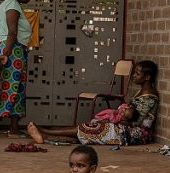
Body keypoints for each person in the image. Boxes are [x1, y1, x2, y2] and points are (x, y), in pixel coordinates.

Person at [29, 61, 160, 146]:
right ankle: (46, 137)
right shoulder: (142, 92)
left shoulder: (149, 97)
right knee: (90, 130)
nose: (134, 76)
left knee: (92, 129)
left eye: (137, 74)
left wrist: (113, 122)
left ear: (147, 77)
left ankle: (46, 132)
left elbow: (136, 122)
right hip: (126, 130)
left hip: (134, 135)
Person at [0, 0, 35, 136]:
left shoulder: (7, 4)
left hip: (6, 48)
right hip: (12, 50)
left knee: (2, 86)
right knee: (16, 88)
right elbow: (12, 32)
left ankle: (10, 126)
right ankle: (14, 128)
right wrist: (6, 54)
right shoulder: (12, 5)